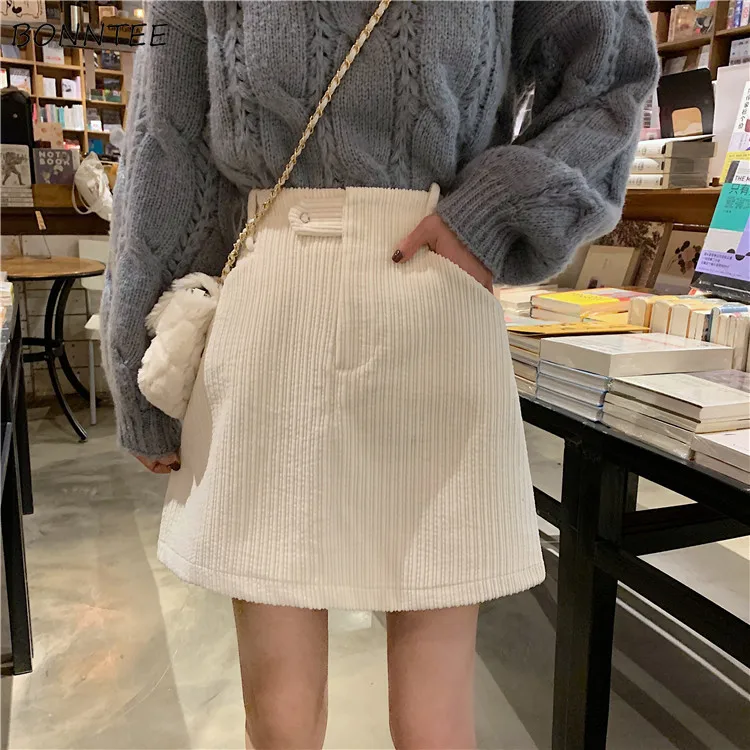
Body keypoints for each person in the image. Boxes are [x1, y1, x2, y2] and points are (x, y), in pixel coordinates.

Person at [102, 2, 658, 747]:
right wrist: (138, 360)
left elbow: (612, 70)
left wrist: (497, 212)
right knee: (280, 715)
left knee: (432, 720)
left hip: (435, 304)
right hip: (274, 313)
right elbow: (169, 144)